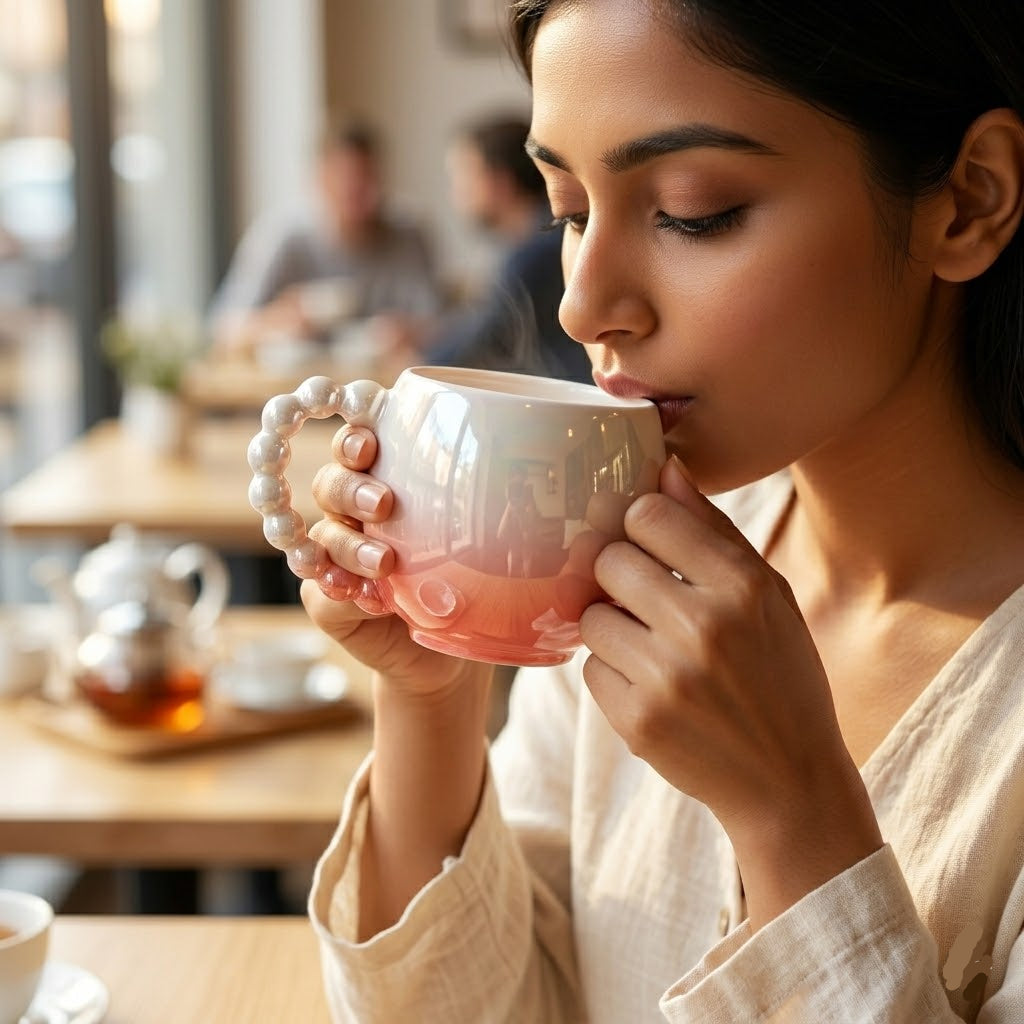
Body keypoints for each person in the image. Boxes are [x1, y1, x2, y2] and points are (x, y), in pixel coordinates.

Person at [301, 1, 1024, 1020]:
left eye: (693, 211)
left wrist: (794, 820)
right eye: (567, 210)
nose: (582, 304)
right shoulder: (626, 559)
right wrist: (430, 698)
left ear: (969, 199)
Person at [208, 117, 442, 358]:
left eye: (365, 177)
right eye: (343, 177)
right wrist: (277, 322)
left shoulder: (408, 235)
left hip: (382, 384)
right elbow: (223, 330)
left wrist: (411, 333)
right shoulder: (284, 236)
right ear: (318, 179)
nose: (355, 188)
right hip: (294, 386)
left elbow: (444, 327)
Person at [419, 113, 593, 384]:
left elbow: (480, 339)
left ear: (499, 182)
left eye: (463, 176)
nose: (456, 192)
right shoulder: (543, 235)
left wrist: (415, 359)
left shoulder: (535, 254)